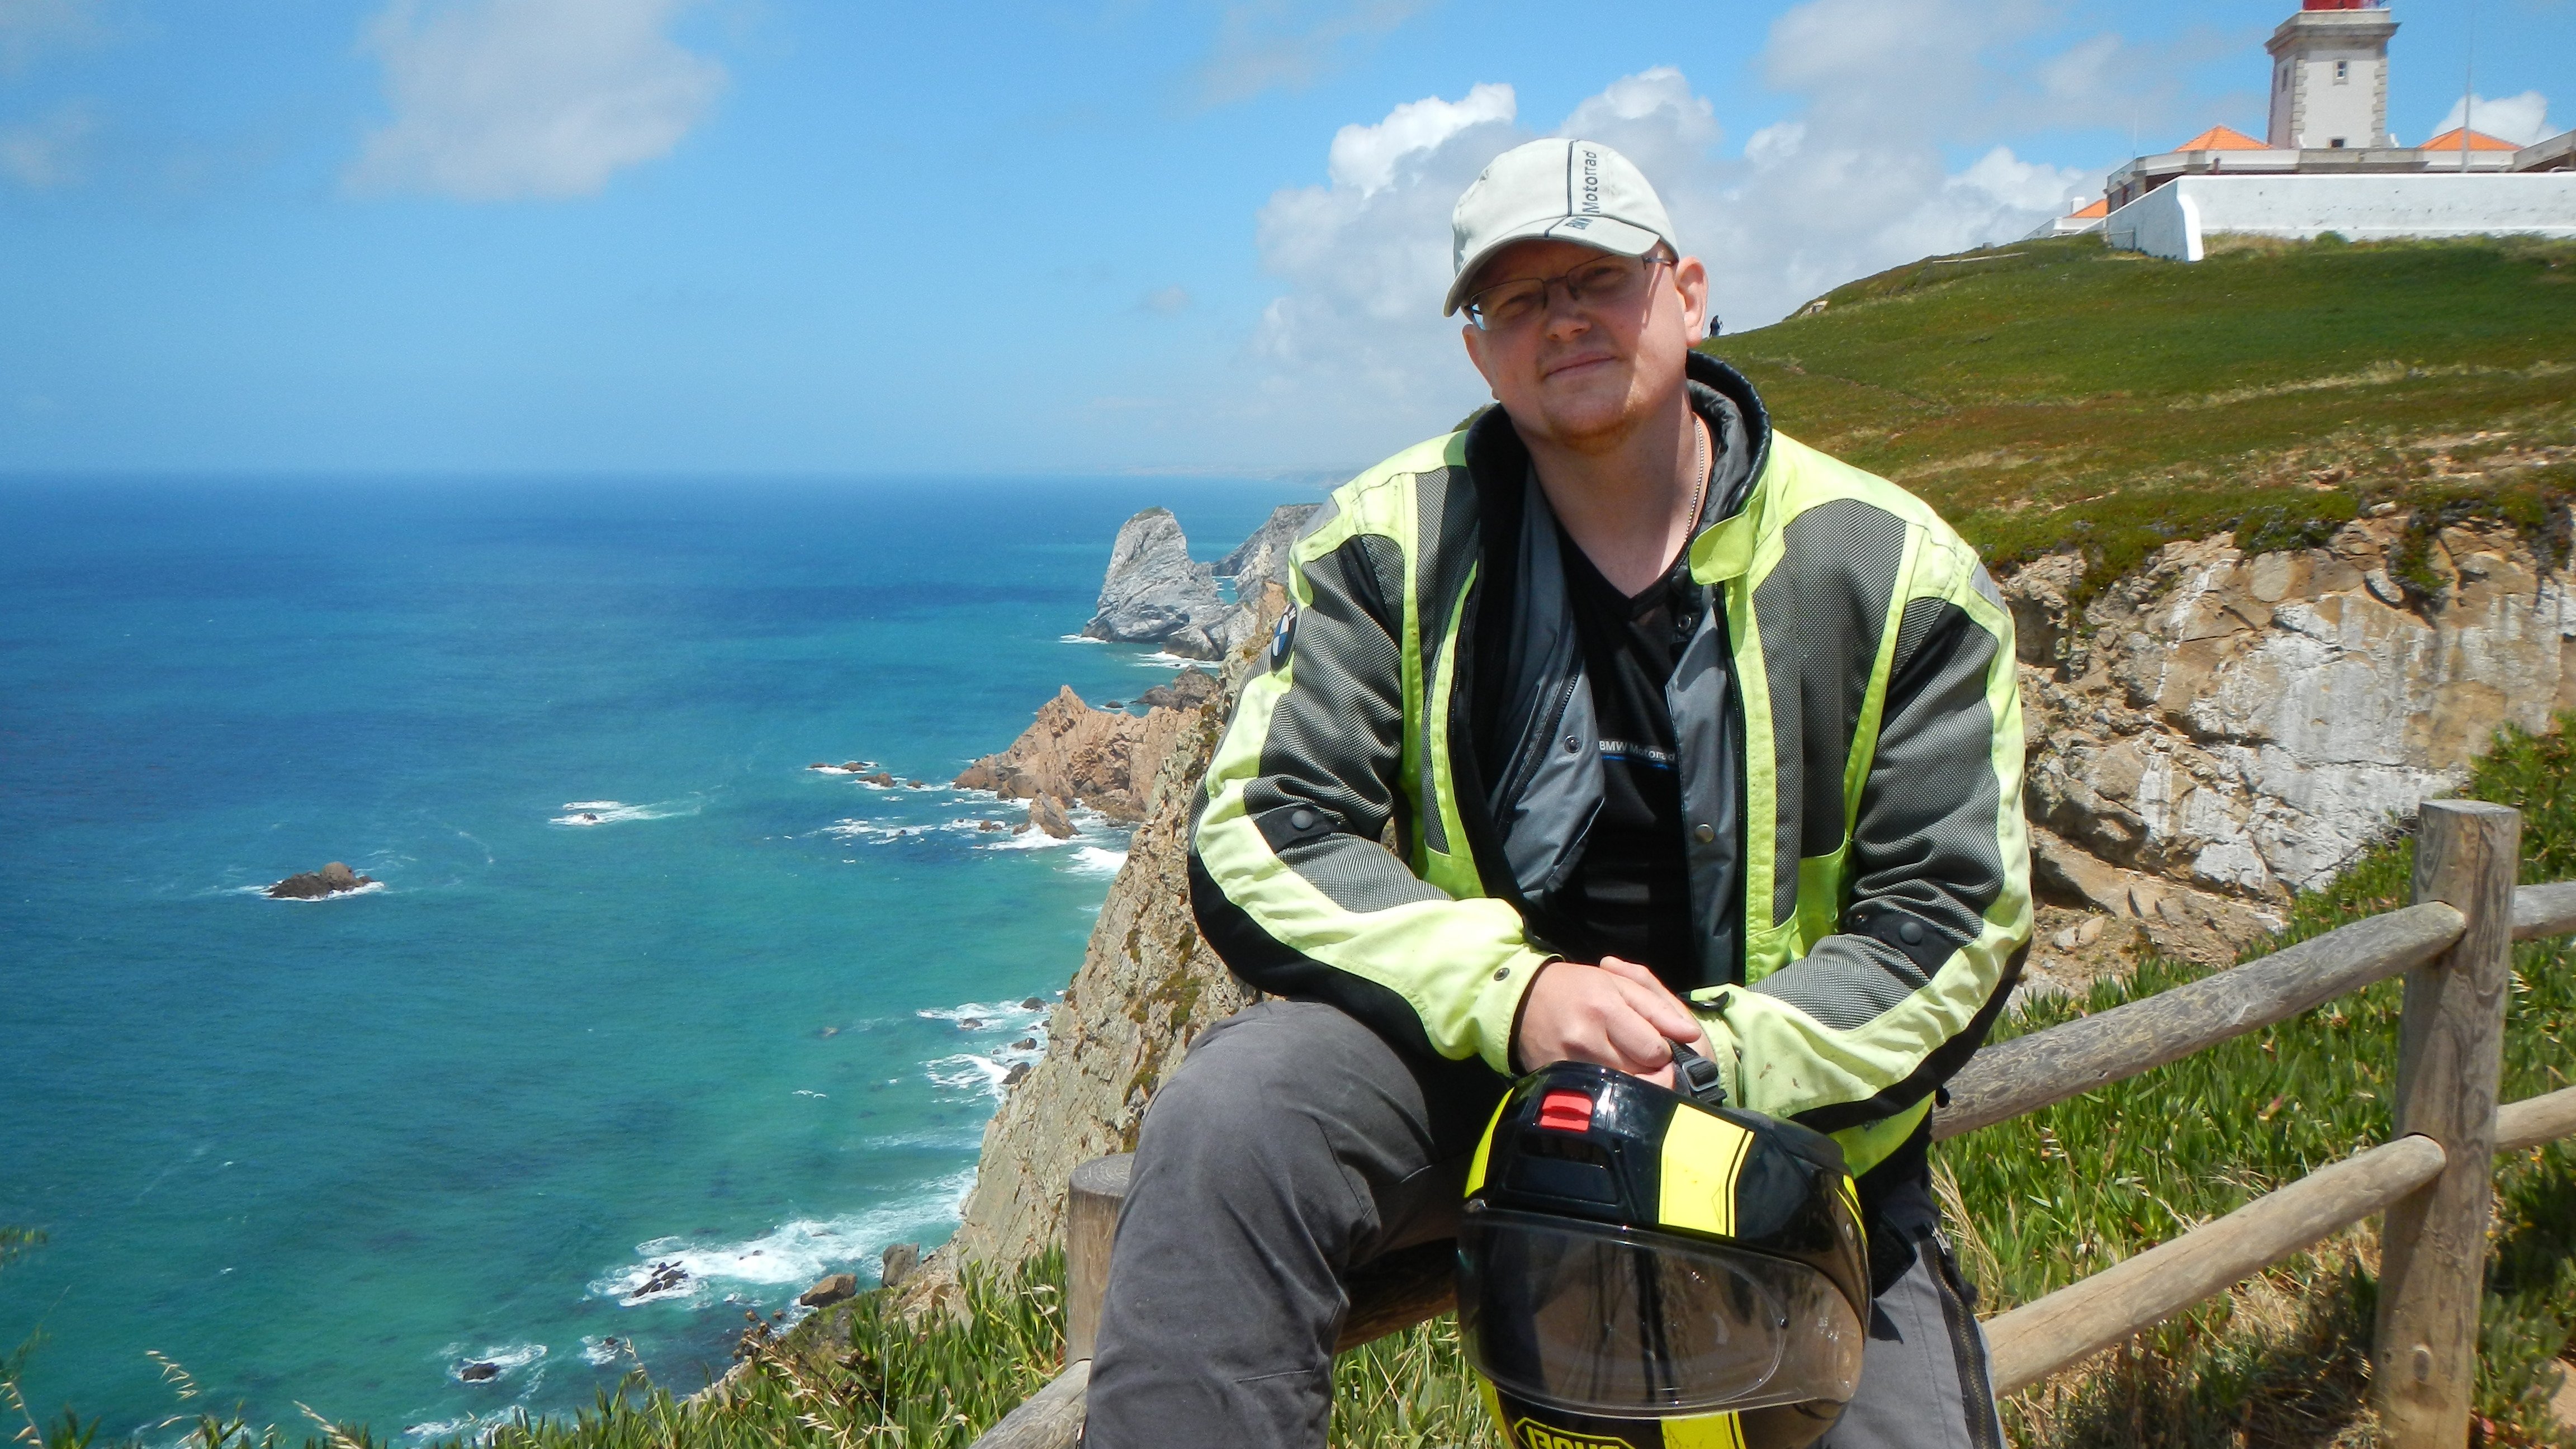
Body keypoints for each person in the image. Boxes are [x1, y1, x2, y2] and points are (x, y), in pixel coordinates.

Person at [1085, 138, 2032, 1449]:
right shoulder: (1390, 543)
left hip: (1791, 1121)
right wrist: (1520, 996)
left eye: (1599, 279)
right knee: (1236, 1113)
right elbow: (1263, 825)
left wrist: (1714, 1060)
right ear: (1481, 352)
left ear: (1687, 294)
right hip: (1483, 1072)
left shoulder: (1895, 573)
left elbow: (1954, 918)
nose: (1564, 318)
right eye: (1519, 298)